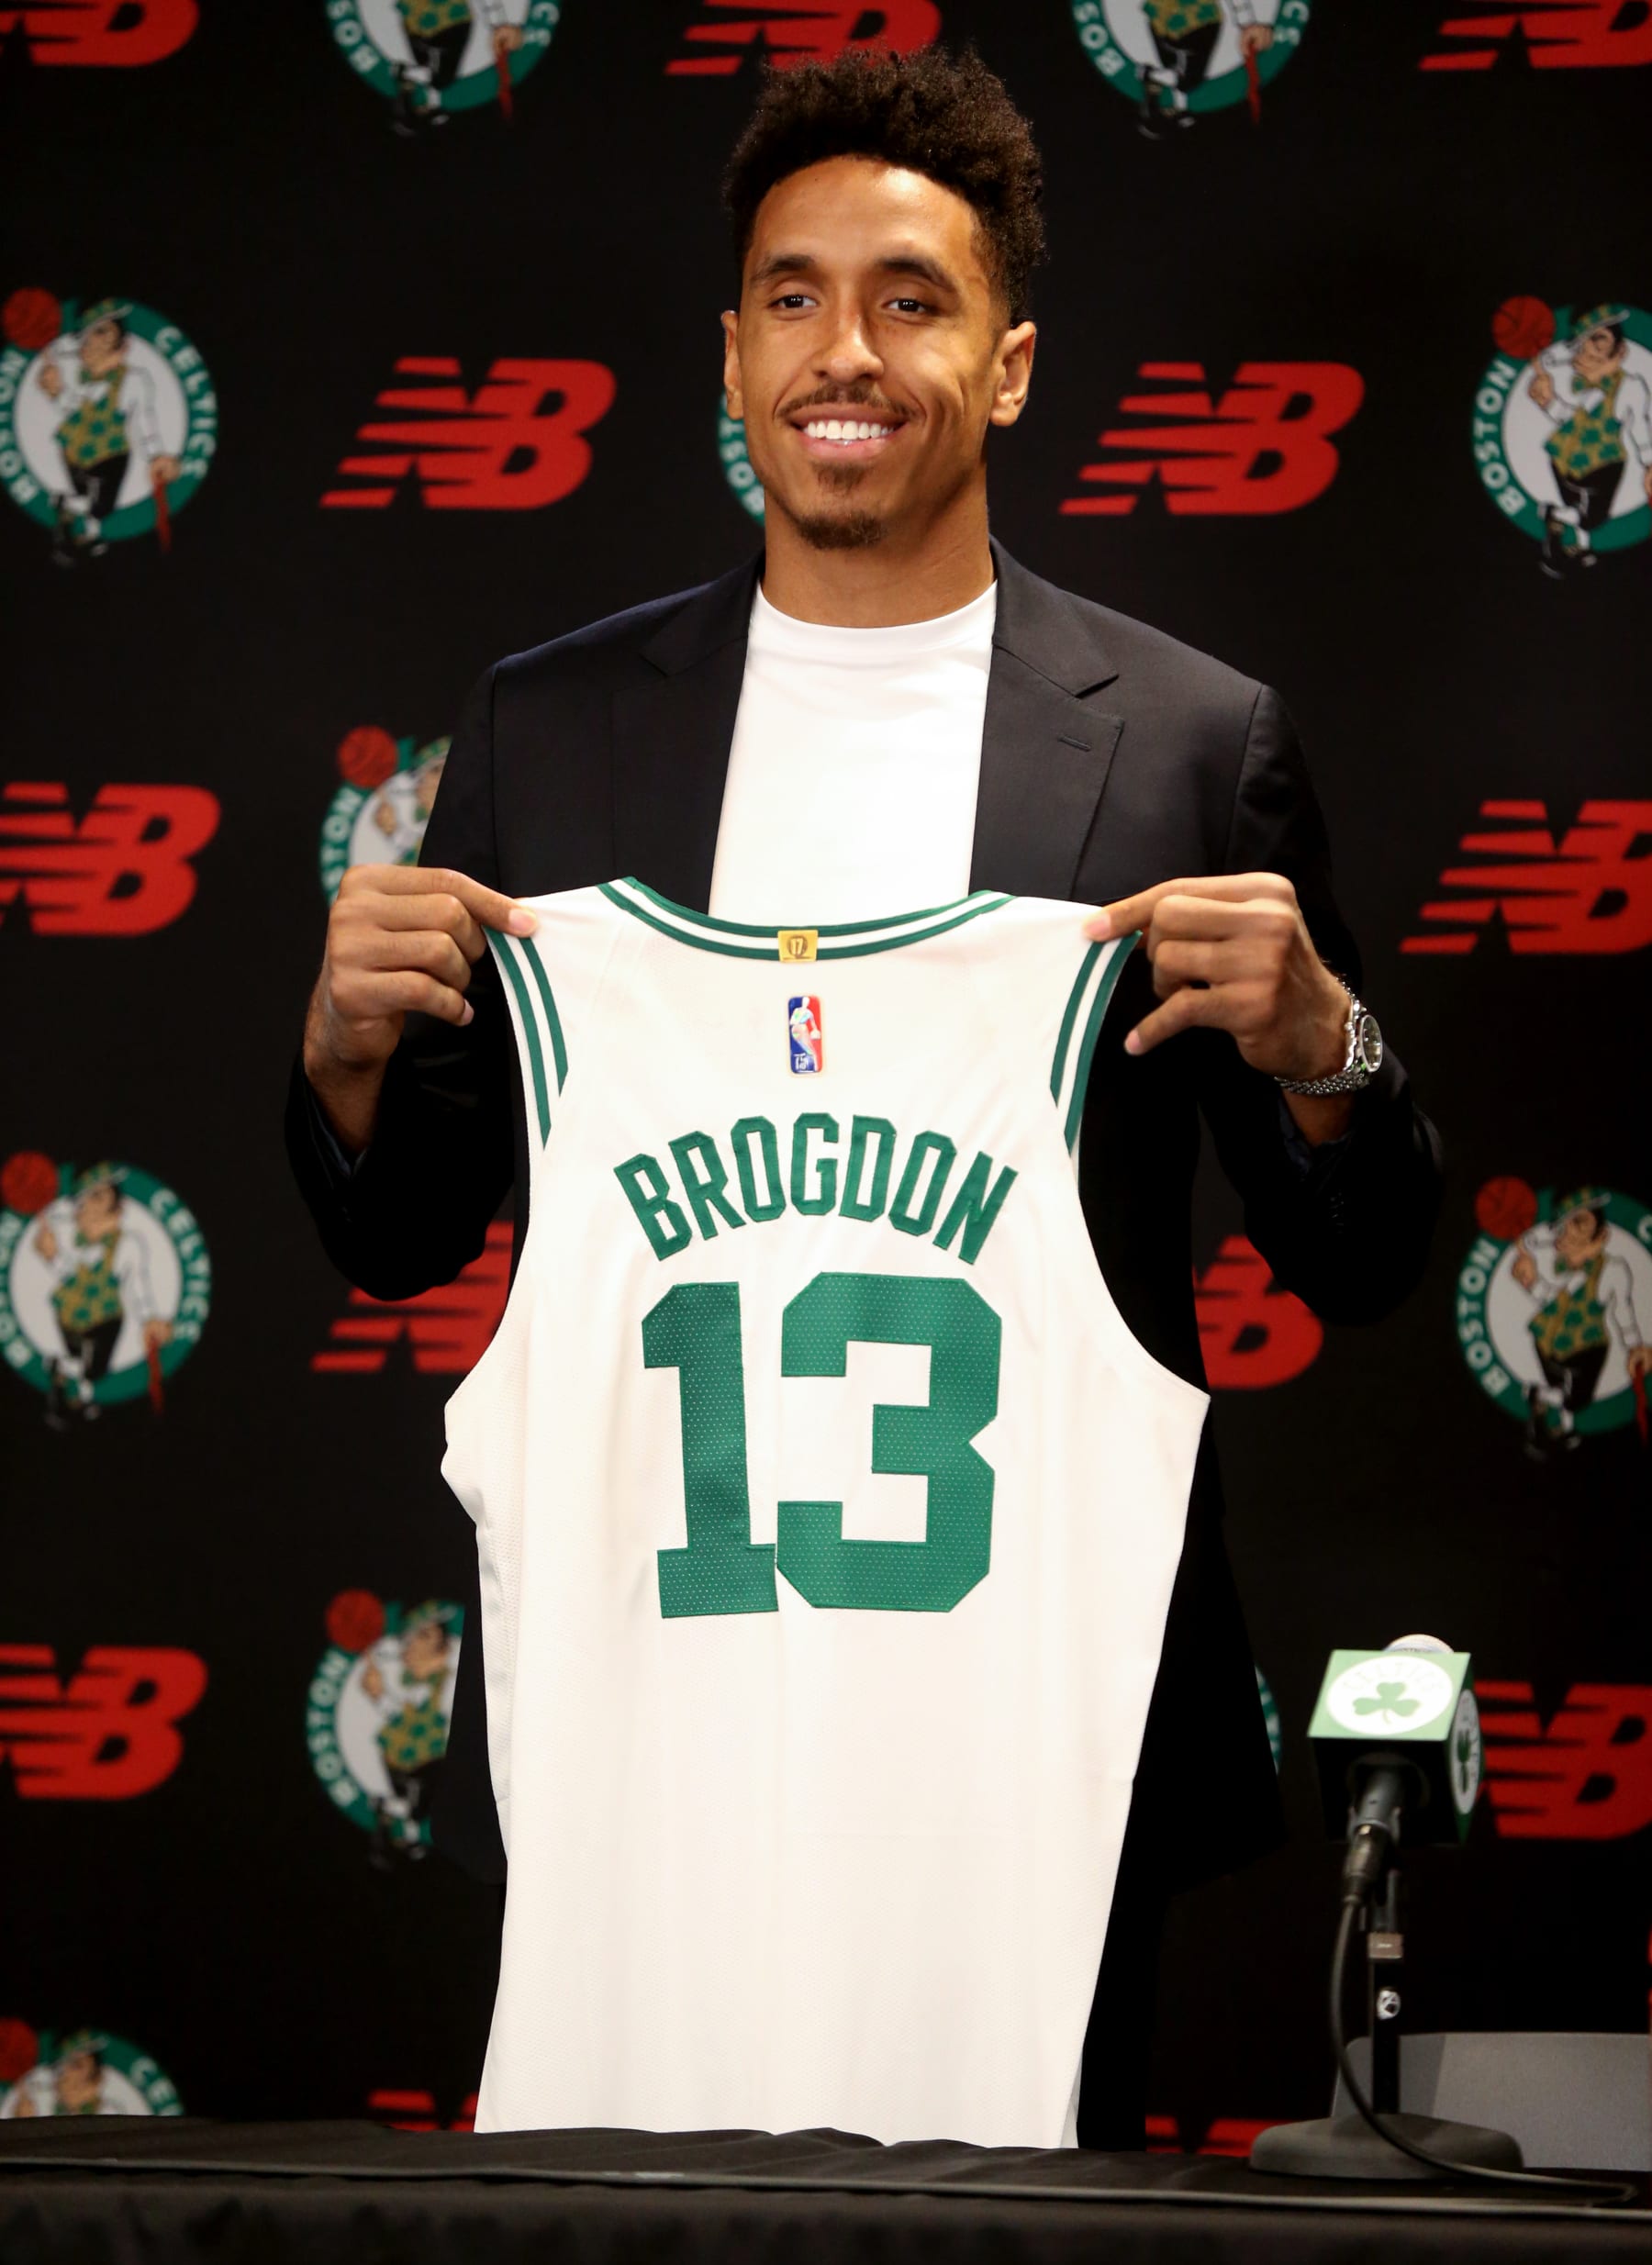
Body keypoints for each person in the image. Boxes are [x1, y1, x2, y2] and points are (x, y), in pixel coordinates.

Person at [287, 46, 1442, 2145]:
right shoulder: (549, 729)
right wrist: (352, 1065)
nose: (850, 349)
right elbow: (409, 1231)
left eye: (913, 299)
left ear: (1006, 365)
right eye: (797, 295)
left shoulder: (1189, 741)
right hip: (653, 1719)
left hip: (1037, 1741)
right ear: (729, 353)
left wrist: (1321, 1042)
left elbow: (1362, 1255)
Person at [34, 301, 178, 567]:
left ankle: (80, 522)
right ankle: (76, 521)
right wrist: (54, 391)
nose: (92, 342)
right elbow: (68, 405)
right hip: (74, 448)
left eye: (102, 332)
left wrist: (156, 455)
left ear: (123, 346)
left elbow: (144, 419)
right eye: (87, 337)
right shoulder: (73, 373)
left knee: (103, 505)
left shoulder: (134, 380)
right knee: (85, 494)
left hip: (112, 451)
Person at [1512, 1189, 1651, 1456]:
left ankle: (1555, 1415)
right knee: (1569, 1395)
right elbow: (1549, 1297)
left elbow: (1622, 1310)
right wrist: (1530, 1281)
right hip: (1546, 1340)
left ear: (1601, 1237)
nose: (1569, 1234)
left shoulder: (1612, 1269)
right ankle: (1549, 1407)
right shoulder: (1563, 1267)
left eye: (1580, 1223)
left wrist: (1634, 1346)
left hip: (1586, 1346)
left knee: (1576, 1398)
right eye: (1565, 1227)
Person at [1527, 305, 1652, 577]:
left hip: (1577, 460)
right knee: (1593, 518)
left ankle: (1580, 547)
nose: (1588, 349)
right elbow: (1570, 418)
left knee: (1582, 513)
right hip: (1585, 461)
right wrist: (1547, 401)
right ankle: (1555, 515)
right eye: (1583, 343)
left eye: (1599, 339)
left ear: (1620, 351)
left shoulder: (1628, 386)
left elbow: (1641, 430)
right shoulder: (1586, 386)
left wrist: (1649, 465)